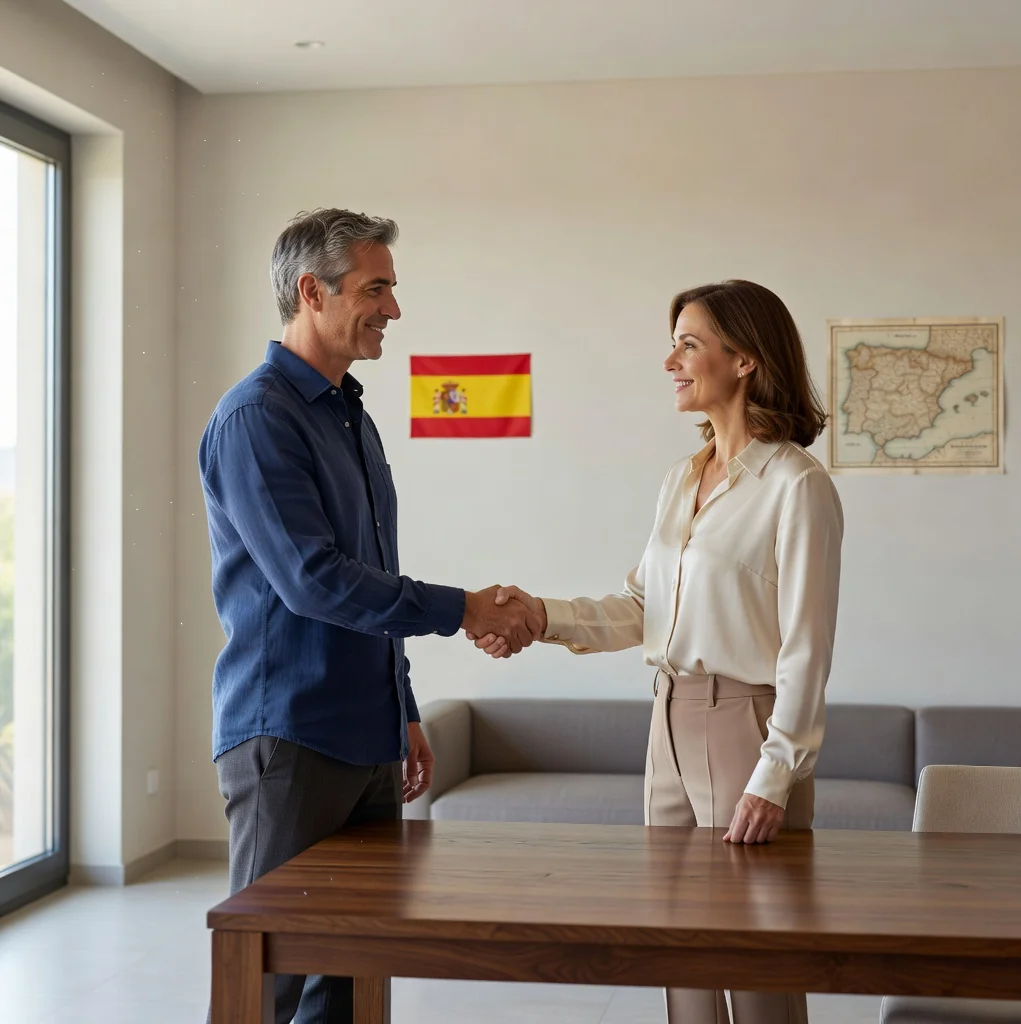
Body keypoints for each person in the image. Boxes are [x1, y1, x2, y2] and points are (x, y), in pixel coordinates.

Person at [198, 208, 542, 1024]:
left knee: (352, 979)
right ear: (312, 292)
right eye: (376, 289)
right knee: (265, 984)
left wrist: (403, 707)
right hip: (289, 737)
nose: (393, 308)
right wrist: (463, 608)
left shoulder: (350, 416)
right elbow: (314, 581)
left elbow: (369, 577)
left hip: (367, 736)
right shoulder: (257, 419)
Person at [468, 279, 843, 1024]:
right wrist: (541, 616)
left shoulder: (797, 486)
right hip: (666, 722)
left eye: (688, 345)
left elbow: (807, 649)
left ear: (744, 359)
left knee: (755, 959)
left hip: (745, 726)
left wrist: (775, 774)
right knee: (678, 948)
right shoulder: (681, 480)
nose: (670, 362)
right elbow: (644, 609)